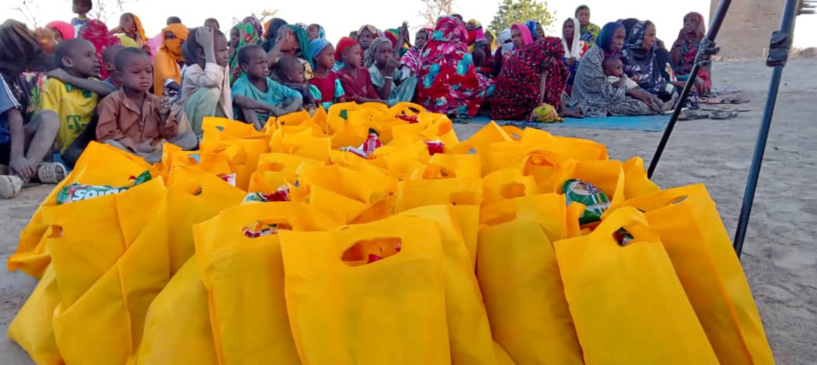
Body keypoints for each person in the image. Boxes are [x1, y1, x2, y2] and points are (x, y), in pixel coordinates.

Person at [96, 48, 196, 163]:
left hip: (155, 149)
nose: (144, 76)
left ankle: (149, 160)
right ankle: (143, 160)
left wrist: (164, 116)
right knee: (109, 144)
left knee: (190, 137)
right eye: (136, 72)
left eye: (148, 71)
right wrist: (135, 146)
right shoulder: (111, 101)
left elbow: (171, 135)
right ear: (120, 76)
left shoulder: (156, 101)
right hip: (127, 150)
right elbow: (105, 135)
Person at [40, 38, 118, 167]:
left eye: (95, 55)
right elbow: (47, 121)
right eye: (88, 55)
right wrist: (48, 161)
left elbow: (111, 90)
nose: (95, 60)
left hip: (95, 142)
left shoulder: (94, 83)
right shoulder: (55, 84)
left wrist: (69, 78)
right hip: (71, 148)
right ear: (67, 61)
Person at [569, 22, 656, 117]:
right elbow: (601, 90)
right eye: (618, 38)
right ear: (607, 37)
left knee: (645, 98)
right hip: (588, 100)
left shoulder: (612, 55)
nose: (621, 42)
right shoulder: (593, 57)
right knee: (641, 106)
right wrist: (632, 92)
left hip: (608, 95)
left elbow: (618, 79)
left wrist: (635, 91)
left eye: (623, 38)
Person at [416, 16, 493, 117]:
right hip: (449, 100)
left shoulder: (427, 46)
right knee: (490, 85)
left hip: (426, 101)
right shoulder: (460, 47)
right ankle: (458, 108)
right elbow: (470, 80)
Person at [490, 37, 572, 120]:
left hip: (531, 98)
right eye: (552, 57)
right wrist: (544, 74)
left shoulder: (539, 58)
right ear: (542, 53)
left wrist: (562, 108)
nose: (553, 61)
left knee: (556, 69)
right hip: (509, 108)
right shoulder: (524, 66)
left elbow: (559, 77)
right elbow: (536, 103)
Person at [170, 27, 231, 137]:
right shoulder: (192, 70)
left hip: (206, 117)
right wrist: (208, 48)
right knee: (211, 91)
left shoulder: (223, 67)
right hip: (186, 124)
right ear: (203, 53)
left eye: (226, 49)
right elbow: (211, 80)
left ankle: (215, 134)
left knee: (217, 96)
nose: (226, 54)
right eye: (222, 51)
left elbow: (225, 99)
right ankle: (200, 138)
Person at [232, 46, 303, 129]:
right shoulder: (241, 83)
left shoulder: (270, 83)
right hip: (254, 122)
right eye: (260, 63)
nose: (265, 66)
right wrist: (270, 108)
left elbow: (297, 95)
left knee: (290, 101)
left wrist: (286, 111)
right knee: (247, 107)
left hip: (271, 120)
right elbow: (239, 99)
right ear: (245, 67)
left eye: (266, 62)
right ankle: (260, 134)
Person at [622, 21, 680, 103]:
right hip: (634, 92)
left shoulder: (651, 55)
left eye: (654, 35)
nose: (653, 40)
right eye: (650, 35)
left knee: (683, 89)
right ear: (640, 35)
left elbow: (657, 81)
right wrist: (633, 83)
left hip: (653, 89)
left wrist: (676, 83)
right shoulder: (624, 55)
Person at [365, 38, 417, 105]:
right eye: (382, 52)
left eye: (389, 52)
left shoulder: (391, 67)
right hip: (384, 101)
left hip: (395, 96)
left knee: (413, 79)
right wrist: (388, 74)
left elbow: (401, 81)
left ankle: (403, 104)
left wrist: (400, 66)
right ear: (374, 54)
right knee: (392, 102)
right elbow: (384, 96)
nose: (387, 55)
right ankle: (402, 105)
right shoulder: (372, 72)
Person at [671, 12, 711, 95]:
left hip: (698, 78)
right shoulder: (680, 41)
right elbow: (672, 63)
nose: (688, 23)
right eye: (686, 21)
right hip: (679, 77)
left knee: (694, 80)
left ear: (699, 24)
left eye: (692, 21)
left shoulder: (704, 43)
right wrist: (679, 40)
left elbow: (703, 66)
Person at [335, 37, 382, 104]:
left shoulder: (364, 71)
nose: (360, 57)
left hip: (370, 107)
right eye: (357, 54)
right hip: (354, 109)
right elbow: (354, 99)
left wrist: (380, 103)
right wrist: (380, 102)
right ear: (345, 55)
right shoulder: (340, 75)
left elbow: (372, 92)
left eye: (360, 54)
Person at [309, 39, 346, 110]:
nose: (333, 59)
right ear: (316, 57)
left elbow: (341, 99)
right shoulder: (312, 79)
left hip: (334, 112)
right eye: (329, 55)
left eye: (333, 55)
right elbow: (315, 105)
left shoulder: (333, 76)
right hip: (319, 114)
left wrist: (343, 114)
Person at [153, 23, 188, 96]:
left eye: (172, 37)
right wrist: (185, 93)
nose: (169, 41)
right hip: (166, 101)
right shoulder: (161, 55)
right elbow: (167, 80)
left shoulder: (188, 56)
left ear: (183, 38)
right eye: (166, 38)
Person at [562, 17, 589, 94]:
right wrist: (565, 61)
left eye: (570, 27)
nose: (567, 29)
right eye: (565, 27)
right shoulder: (558, 45)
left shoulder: (583, 45)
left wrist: (576, 62)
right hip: (561, 83)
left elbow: (586, 64)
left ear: (576, 29)